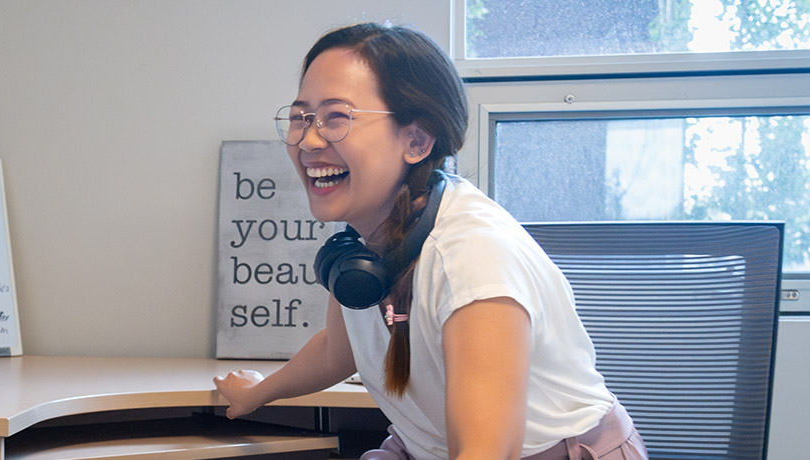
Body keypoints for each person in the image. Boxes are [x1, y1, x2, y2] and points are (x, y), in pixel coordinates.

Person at [212, 23, 646, 460]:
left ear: (416, 140)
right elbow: (335, 352)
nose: (307, 140)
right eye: (300, 118)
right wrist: (258, 392)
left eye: (336, 118)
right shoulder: (370, 239)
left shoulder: (472, 260)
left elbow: (484, 453)